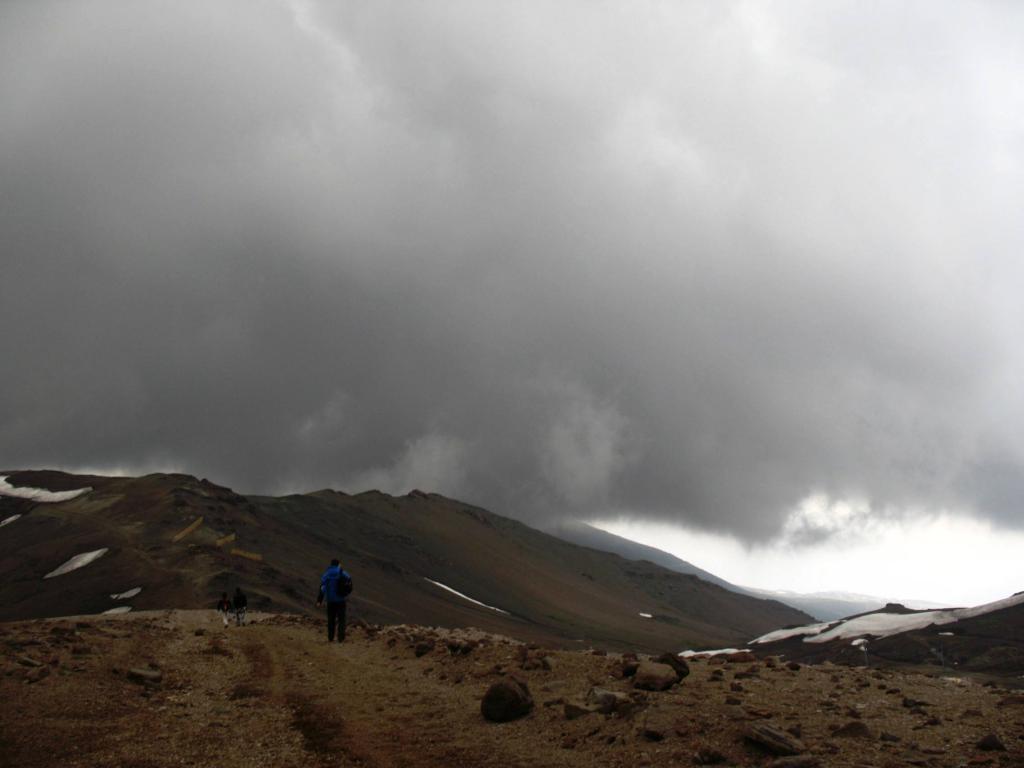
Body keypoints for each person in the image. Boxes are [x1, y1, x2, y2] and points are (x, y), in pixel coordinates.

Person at [316, 559, 352, 642]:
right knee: (341, 619)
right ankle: (340, 638)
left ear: (331, 565)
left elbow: (322, 588)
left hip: (330, 601)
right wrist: (346, 593)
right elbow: (350, 585)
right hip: (341, 600)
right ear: (339, 564)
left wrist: (319, 601)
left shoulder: (327, 574)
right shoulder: (343, 573)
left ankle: (330, 638)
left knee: (331, 619)